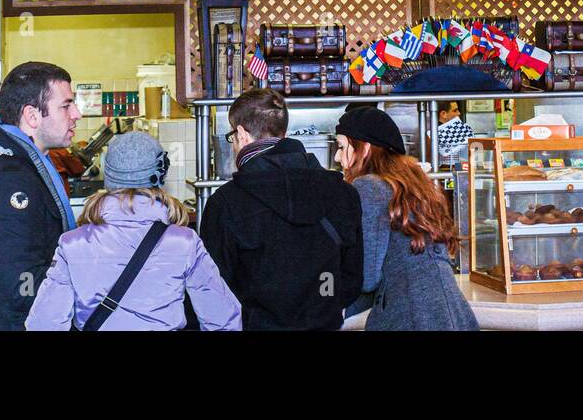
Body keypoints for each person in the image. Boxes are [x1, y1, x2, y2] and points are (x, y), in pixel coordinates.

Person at [26, 131, 241, 331]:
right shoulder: (184, 242)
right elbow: (223, 318)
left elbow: (44, 323)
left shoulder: (73, 244)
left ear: (109, 174)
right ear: (159, 175)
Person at [199, 88, 363, 330]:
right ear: (283, 133)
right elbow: (351, 278)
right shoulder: (343, 193)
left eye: (232, 137)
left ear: (242, 134)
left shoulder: (225, 203)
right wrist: (322, 301)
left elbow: (214, 288)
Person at [0, 61, 81, 330]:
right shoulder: (10, 180)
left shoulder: (26, 168)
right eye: (66, 105)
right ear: (32, 116)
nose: (77, 114)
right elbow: (19, 288)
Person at [334, 106, 478, 331]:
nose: (337, 156)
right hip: (452, 314)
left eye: (342, 147)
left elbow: (367, 276)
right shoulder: (415, 182)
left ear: (365, 148)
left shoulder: (368, 187)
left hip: (412, 317)